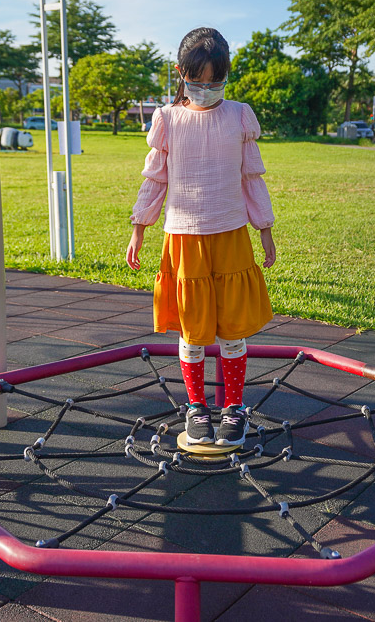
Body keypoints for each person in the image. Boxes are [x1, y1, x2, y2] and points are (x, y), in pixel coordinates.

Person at [126, 27, 276, 447]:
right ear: (181, 73)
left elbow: (252, 178)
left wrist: (265, 229)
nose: (206, 89)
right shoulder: (168, 119)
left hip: (230, 235)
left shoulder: (239, 115)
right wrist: (140, 228)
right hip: (184, 238)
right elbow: (154, 180)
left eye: (215, 81)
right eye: (197, 81)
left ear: (226, 75)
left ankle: (233, 407)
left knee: (232, 329)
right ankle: (196, 405)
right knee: (192, 331)